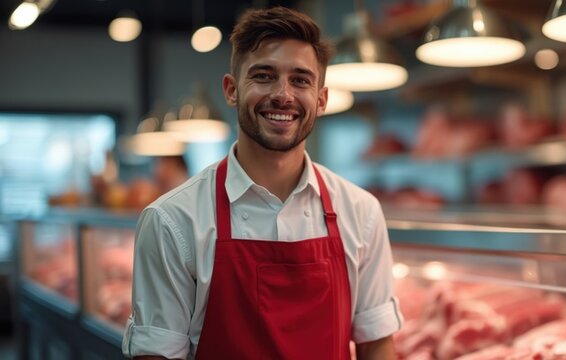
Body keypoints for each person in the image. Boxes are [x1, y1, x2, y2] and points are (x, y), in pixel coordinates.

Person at [122, 7, 402, 359]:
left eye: (300, 80)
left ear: (321, 99)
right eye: (264, 76)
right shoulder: (172, 221)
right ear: (231, 90)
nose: (283, 94)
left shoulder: (360, 212)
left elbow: (376, 346)